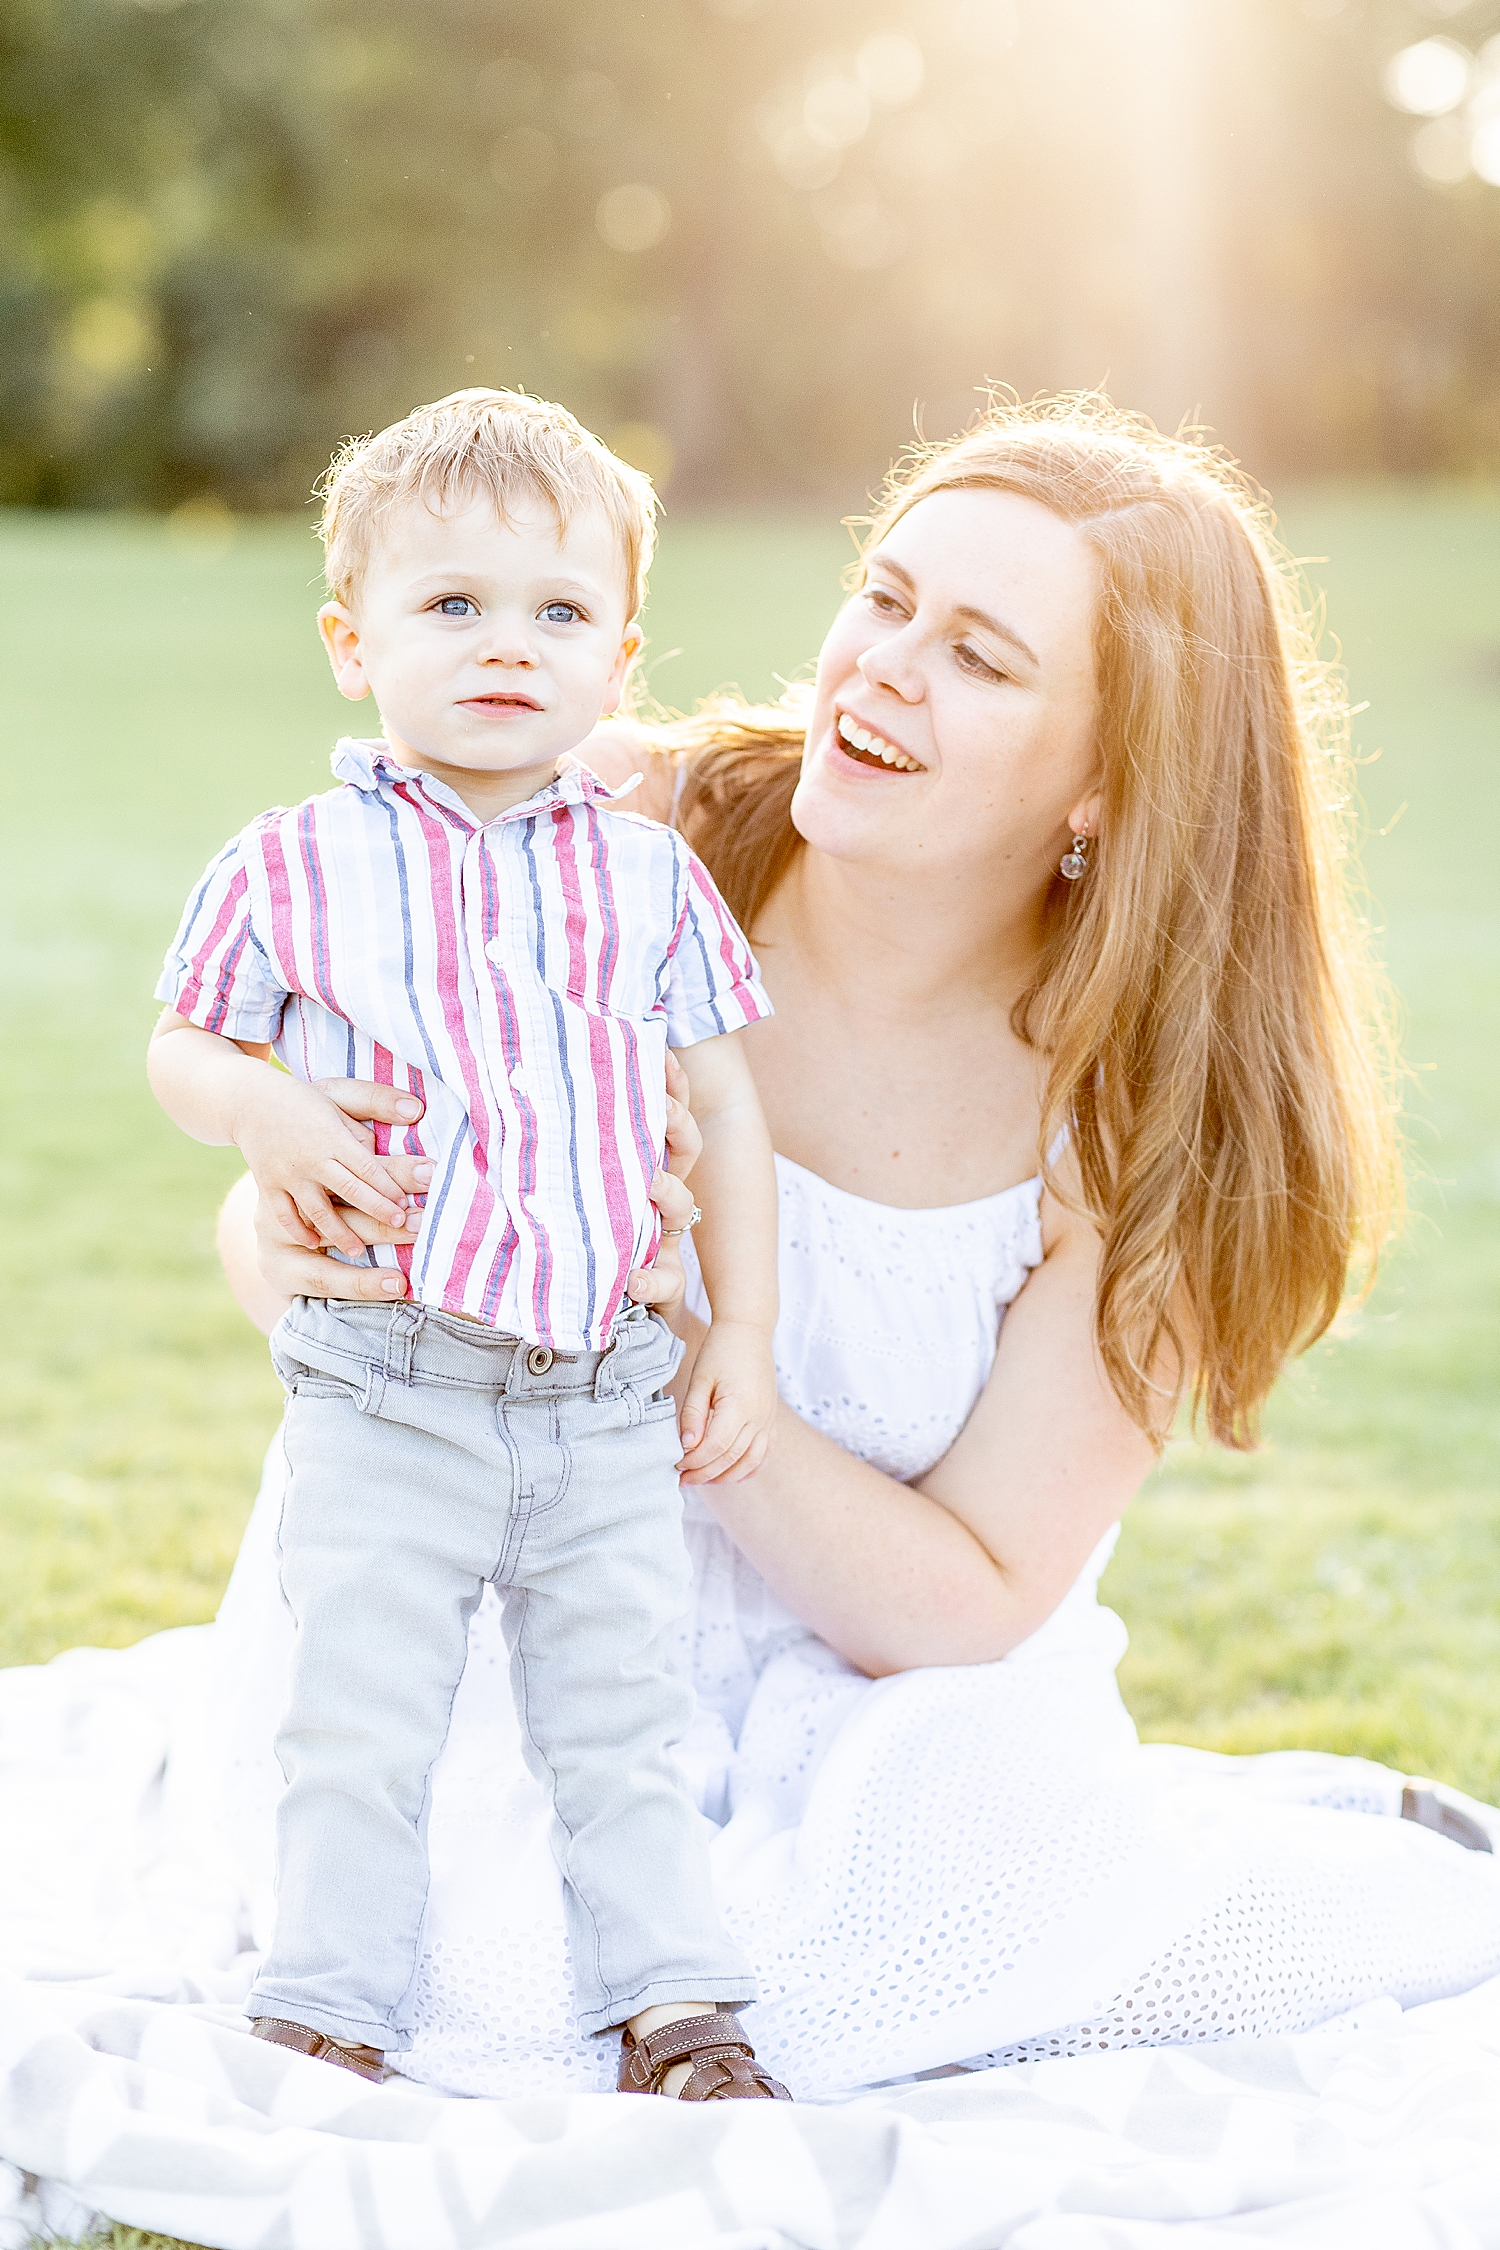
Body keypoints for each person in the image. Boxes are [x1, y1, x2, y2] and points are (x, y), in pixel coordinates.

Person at [210, 391, 1500, 2103]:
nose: (880, 667)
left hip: (888, 1694)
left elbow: (969, 1598)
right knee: (495, 1984)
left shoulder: (1149, 1125)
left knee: (902, 1966)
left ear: (1111, 780)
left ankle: (1333, 1854)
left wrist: (674, 1350)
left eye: (980, 654)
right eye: (884, 598)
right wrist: (330, 1231)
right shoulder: (607, 835)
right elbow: (271, 1240)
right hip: (492, 1583)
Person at [147, 388, 791, 2101]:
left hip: (596, 1393)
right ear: (352, 641)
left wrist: (738, 1331)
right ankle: (328, 2004)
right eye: (453, 606)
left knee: (622, 1724)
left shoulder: (651, 881)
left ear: (620, 649)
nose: (508, 647)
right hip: (392, 1379)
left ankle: (678, 2007)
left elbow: (724, 1111)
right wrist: (264, 1110)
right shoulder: (293, 865)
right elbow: (184, 1047)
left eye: (558, 612)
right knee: (357, 1715)